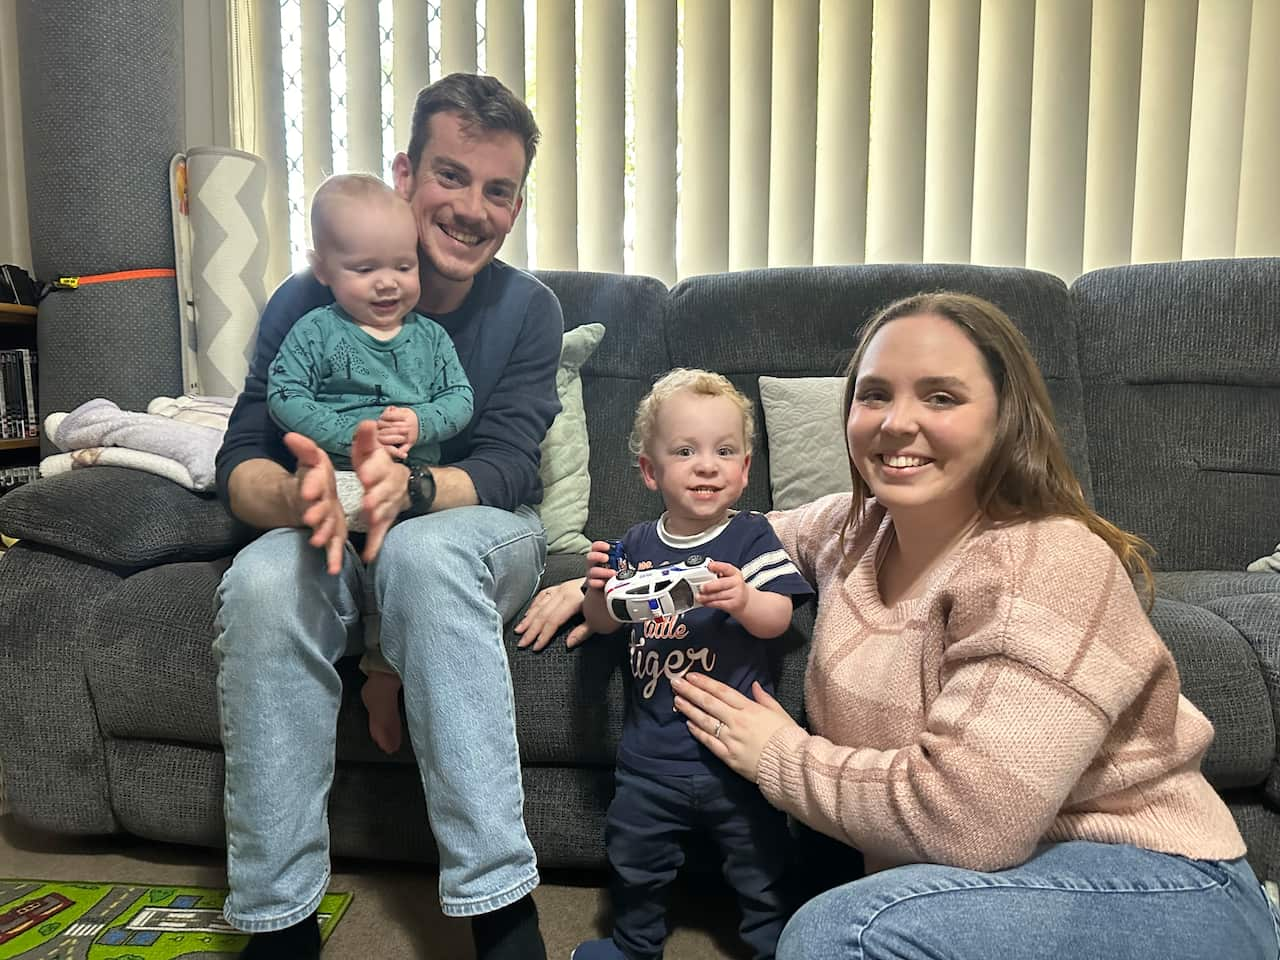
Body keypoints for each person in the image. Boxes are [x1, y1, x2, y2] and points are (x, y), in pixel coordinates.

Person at [520, 292, 1280, 958]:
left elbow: (967, 825)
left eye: (941, 397)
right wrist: (605, 586)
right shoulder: (857, 528)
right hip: (967, 886)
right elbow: (737, 533)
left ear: (1007, 418)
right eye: (874, 394)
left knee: (840, 935)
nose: (897, 421)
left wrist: (782, 753)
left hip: (1144, 878)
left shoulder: (1043, 565)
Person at [213, 73, 562, 960]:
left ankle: (501, 914)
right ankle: (279, 923)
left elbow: (509, 465)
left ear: (516, 206)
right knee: (259, 582)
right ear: (407, 174)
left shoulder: (528, 310)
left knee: (423, 559)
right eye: (452, 176)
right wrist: (309, 497)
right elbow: (240, 460)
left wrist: (404, 493)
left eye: (499, 190)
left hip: (476, 523)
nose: (473, 209)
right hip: (334, 513)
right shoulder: (311, 302)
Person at [572, 369, 812, 960]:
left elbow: (780, 618)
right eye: (686, 451)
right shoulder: (635, 543)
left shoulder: (750, 539)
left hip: (734, 751)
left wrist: (746, 600)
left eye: (724, 451)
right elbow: (605, 623)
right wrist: (598, 591)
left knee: (761, 865)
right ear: (651, 472)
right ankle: (633, 946)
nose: (707, 466)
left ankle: (772, 947)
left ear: (746, 469)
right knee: (634, 859)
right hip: (650, 755)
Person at [268, 172, 475, 755]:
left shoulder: (430, 339)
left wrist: (419, 423)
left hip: (410, 489)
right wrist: (353, 437)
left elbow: (460, 399)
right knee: (318, 558)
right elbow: (284, 396)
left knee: (412, 567)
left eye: (403, 267)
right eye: (364, 270)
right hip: (340, 476)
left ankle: (382, 678)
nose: (388, 284)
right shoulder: (316, 330)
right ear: (324, 268)